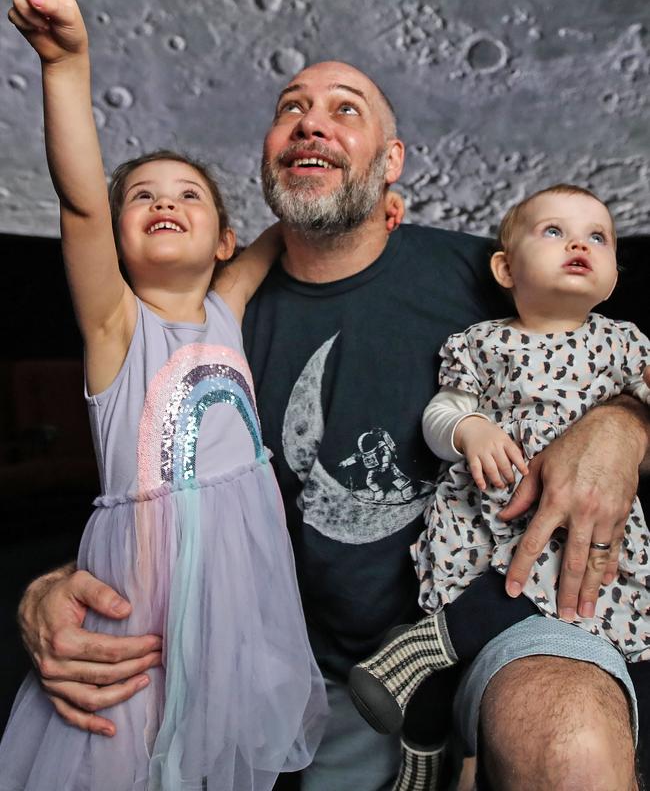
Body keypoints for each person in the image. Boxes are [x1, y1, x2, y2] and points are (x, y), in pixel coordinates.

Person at [13, 46, 650, 791]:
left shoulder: (488, 273)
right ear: (269, 158)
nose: (311, 124)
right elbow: (151, 484)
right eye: (291, 109)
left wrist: (623, 426)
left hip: (511, 607)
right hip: (308, 674)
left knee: (568, 745)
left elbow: (600, 357)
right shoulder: (214, 318)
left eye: (345, 110)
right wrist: (52, 588)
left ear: (391, 161)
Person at [0, 0, 328, 791]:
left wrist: (350, 176)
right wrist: (66, 66)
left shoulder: (227, 303)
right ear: (116, 235)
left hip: (240, 610)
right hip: (139, 616)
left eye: (187, 195)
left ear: (224, 239)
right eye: (140, 198)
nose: (163, 203)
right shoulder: (118, 328)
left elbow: (299, 216)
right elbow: (77, 203)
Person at [349, 186, 650, 778]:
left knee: (619, 620)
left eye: (597, 237)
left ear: (614, 274)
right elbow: (440, 415)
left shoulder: (624, 343)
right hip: (501, 512)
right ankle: (423, 697)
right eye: (554, 232)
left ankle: (424, 656)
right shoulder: (483, 343)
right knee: (514, 584)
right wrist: (469, 429)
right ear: (506, 268)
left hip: (592, 524)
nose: (578, 245)